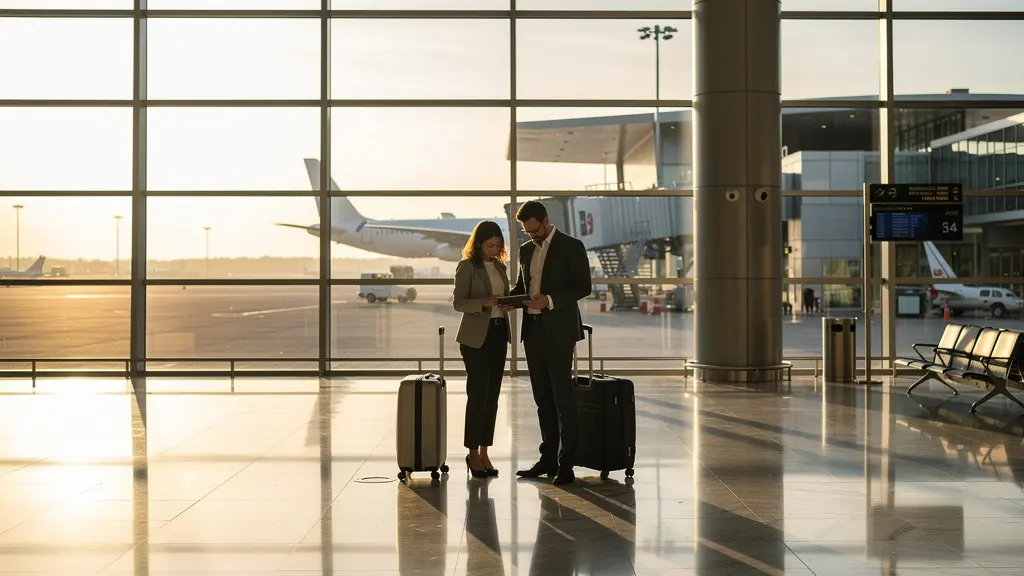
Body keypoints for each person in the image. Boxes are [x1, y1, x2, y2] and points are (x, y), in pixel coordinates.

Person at [508, 201, 592, 486]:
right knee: (542, 398)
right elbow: (523, 286)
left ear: (546, 221)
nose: (532, 236)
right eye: (527, 232)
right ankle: (548, 460)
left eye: (534, 230)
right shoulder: (525, 250)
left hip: (559, 330)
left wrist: (550, 301)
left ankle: (566, 463)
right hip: (532, 330)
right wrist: (511, 300)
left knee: (562, 398)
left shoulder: (571, 246)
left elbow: (583, 286)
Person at [452, 220, 511, 479]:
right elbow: (458, 302)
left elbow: (503, 296)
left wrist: (507, 304)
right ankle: (472, 452)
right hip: (476, 338)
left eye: (498, 245)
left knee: (492, 398)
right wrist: (484, 303)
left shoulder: (500, 267)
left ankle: (485, 452)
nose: (494, 249)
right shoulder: (467, 267)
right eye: (490, 245)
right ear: (478, 244)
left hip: (499, 334)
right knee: (478, 397)